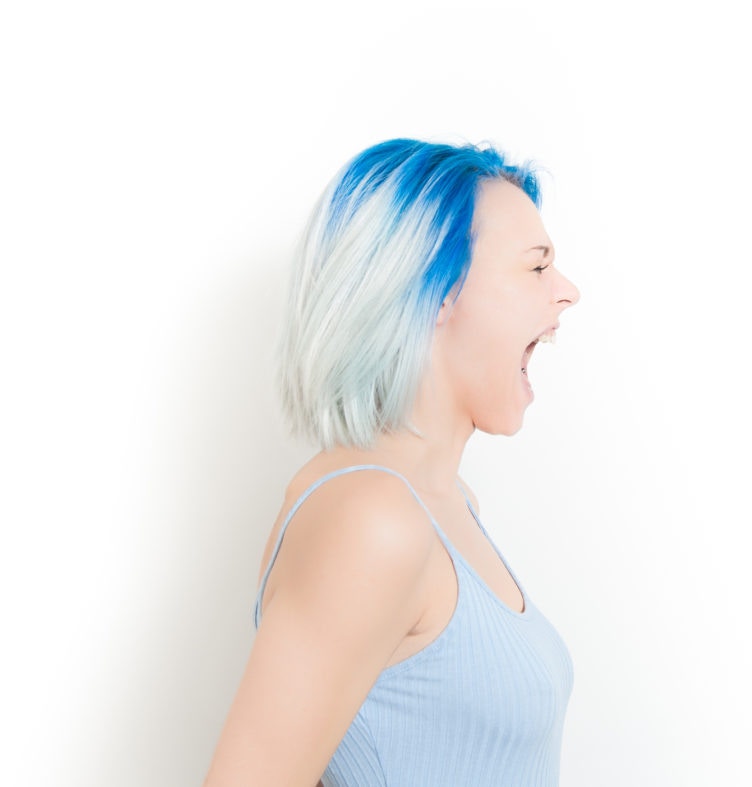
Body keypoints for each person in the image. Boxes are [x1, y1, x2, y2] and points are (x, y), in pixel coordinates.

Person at [202, 138, 582, 787]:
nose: (567, 291)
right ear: (434, 292)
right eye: (536, 267)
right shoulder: (370, 519)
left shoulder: (450, 502)